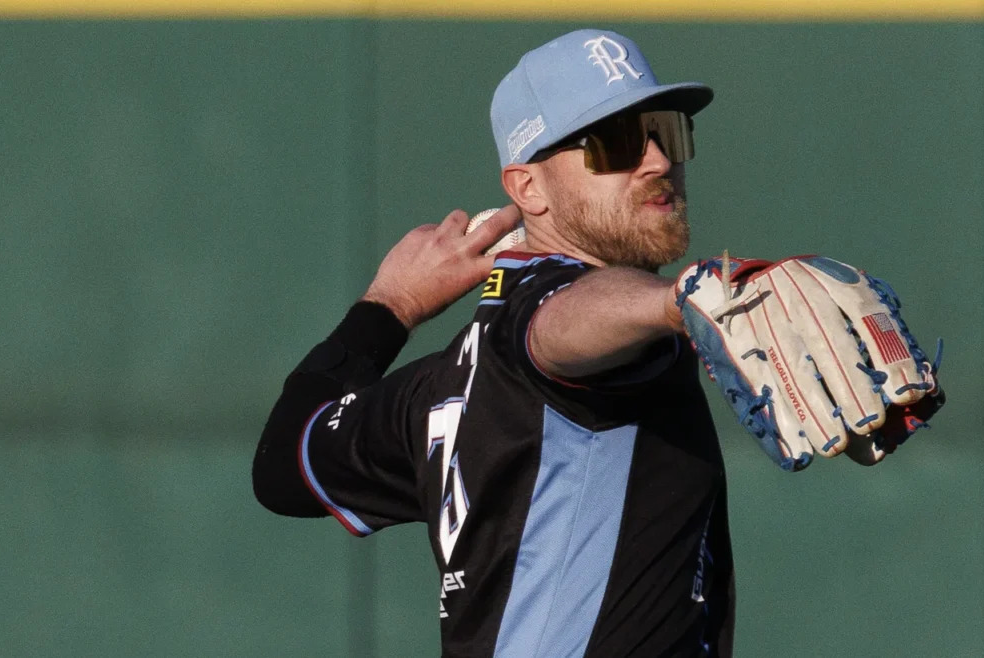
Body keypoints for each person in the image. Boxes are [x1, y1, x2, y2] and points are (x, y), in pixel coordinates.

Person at [252, 29, 935, 657]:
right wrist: (673, 300)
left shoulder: (437, 389)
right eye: (613, 143)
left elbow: (286, 464)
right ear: (528, 189)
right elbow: (559, 329)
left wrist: (389, 309)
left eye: (665, 131)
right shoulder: (575, 319)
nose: (658, 161)